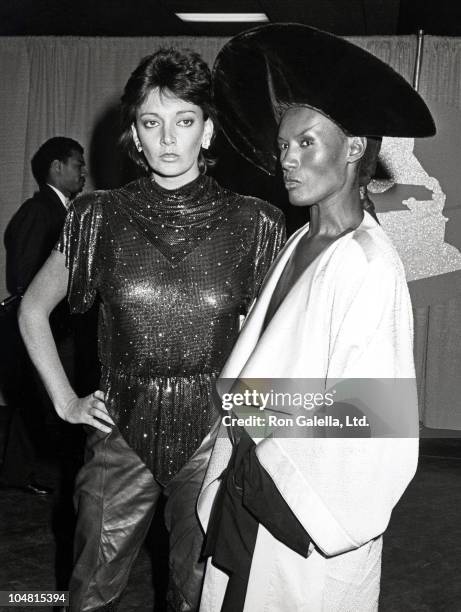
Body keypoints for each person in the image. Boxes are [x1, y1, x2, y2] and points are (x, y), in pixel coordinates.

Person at [18, 48, 285, 611]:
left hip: (210, 436)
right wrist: (65, 400)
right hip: (119, 431)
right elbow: (32, 310)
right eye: (151, 122)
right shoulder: (97, 215)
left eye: (184, 121)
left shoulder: (256, 223)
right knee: (88, 593)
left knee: (197, 597)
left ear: (208, 132)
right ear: (135, 136)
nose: (168, 138)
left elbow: (274, 340)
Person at [196, 24, 436, 611]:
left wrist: (262, 416)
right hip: (248, 487)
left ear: (354, 147)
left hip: (296, 507)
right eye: (283, 146)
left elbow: (376, 418)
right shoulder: (299, 240)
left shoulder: (369, 264)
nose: (287, 159)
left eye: (306, 143)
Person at [0, 137, 86, 495]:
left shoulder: (64, 211)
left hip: (58, 328)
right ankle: (22, 475)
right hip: (46, 328)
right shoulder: (40, 212)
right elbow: (23, 276)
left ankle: (22, 473)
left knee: (36, 403)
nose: (84, 172)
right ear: (57, 167)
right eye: (78, 164)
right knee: (39, 402)